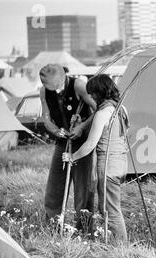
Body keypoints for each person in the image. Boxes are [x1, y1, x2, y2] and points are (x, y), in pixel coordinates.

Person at [62, 74, 129, 243]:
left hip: (108, 165)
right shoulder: (120, 108)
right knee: (111, 208)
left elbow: (90, 144)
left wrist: (71, 157)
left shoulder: (102, 114)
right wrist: (82, 123)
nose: (90, 97)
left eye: (92, 93)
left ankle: (122, 249)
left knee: (110, 211)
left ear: (99, 92)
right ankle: (117, 246)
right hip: (121, 163)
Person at [39, 64, 97, 229]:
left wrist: (81, 127)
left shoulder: (78, 85)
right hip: (62, 144)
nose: (56, 91)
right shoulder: (43, 91)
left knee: (83, 189)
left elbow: (97, 110)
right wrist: (56, 131)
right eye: (51, 88)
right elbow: (46, 118)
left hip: (82, 144)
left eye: (57, 87)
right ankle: (54, 226)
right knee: (54, 189)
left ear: (63, 77)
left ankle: (84, 229)